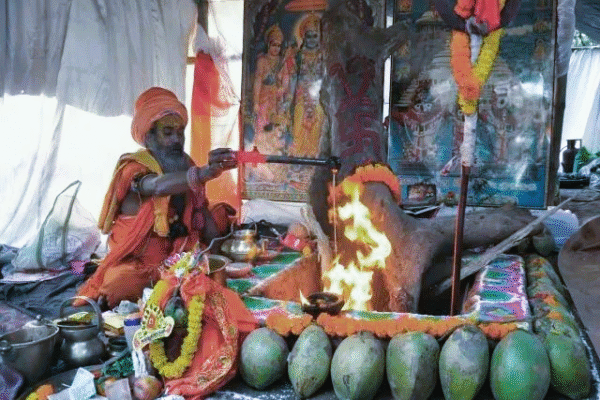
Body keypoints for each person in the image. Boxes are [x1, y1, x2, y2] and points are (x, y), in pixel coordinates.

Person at [76, 87, 237, 308]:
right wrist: (203, 173)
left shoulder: (185, 163)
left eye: (180, 132)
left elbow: (200, 210)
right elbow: (157, 186)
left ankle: (180, 281)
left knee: (219, 217)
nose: (177, 139)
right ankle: (174, 284)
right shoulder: (135, 167)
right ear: (149, 137)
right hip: (141, 262)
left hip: (180, 252)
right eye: (168, 133)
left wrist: (219, 251)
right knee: (119, 284)